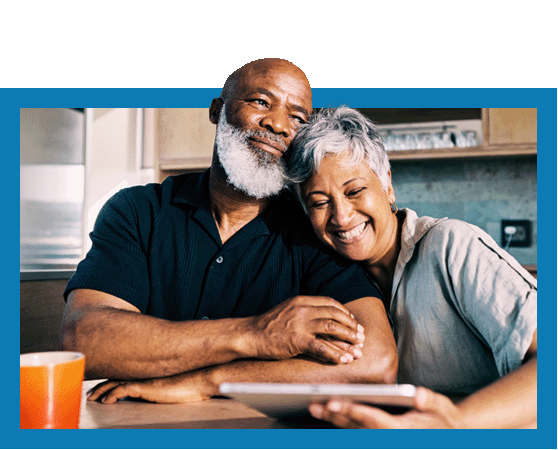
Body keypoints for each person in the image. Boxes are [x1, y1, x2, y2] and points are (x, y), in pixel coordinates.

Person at [59, 59, 397, 404]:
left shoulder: (314, 230)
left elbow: (376, 363)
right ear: (217, 110)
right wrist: (255, 334)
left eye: (297, 117)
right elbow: (83, 340)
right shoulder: (138, 211)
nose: (278, 124)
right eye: (261, 102)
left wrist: (210, 380)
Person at [285, 106, 537, 428]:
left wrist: (455, 423)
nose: (342, 217)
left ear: (387, 185)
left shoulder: (451, 246)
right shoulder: (332, 282)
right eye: (320, 203)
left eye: (355, 191)